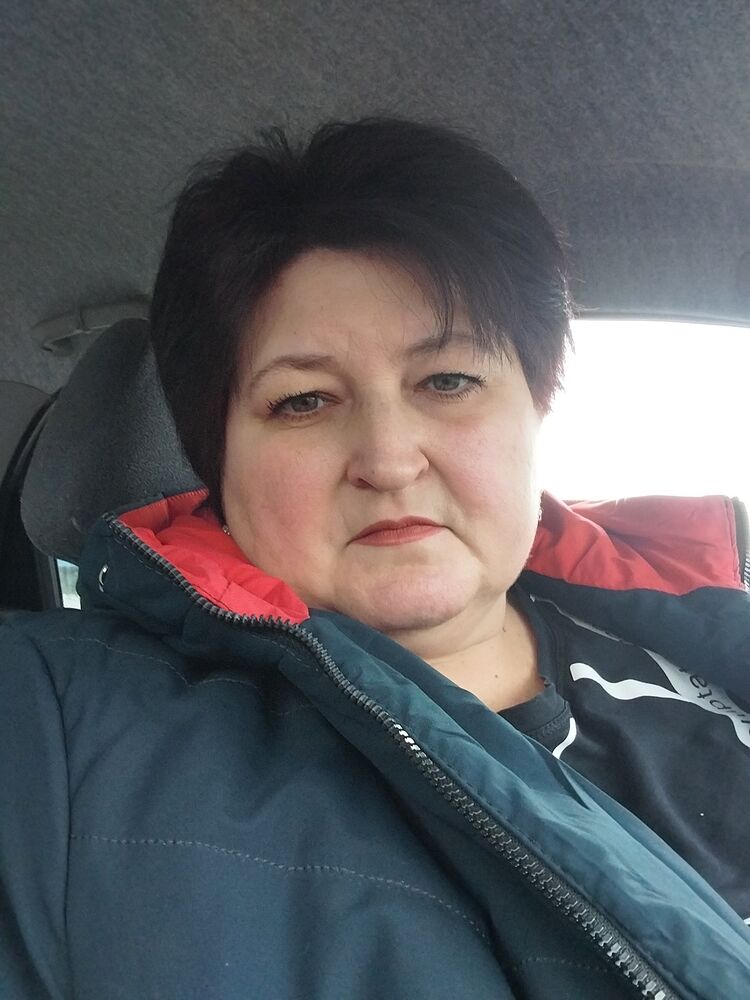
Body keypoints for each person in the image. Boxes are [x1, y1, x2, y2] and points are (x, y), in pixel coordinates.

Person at [1, 115, 749, 999]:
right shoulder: (57, 727)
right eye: (303, 401)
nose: (389, 460)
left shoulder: (706, 633)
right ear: (217, 463)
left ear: (536, 408)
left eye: (448, 380)